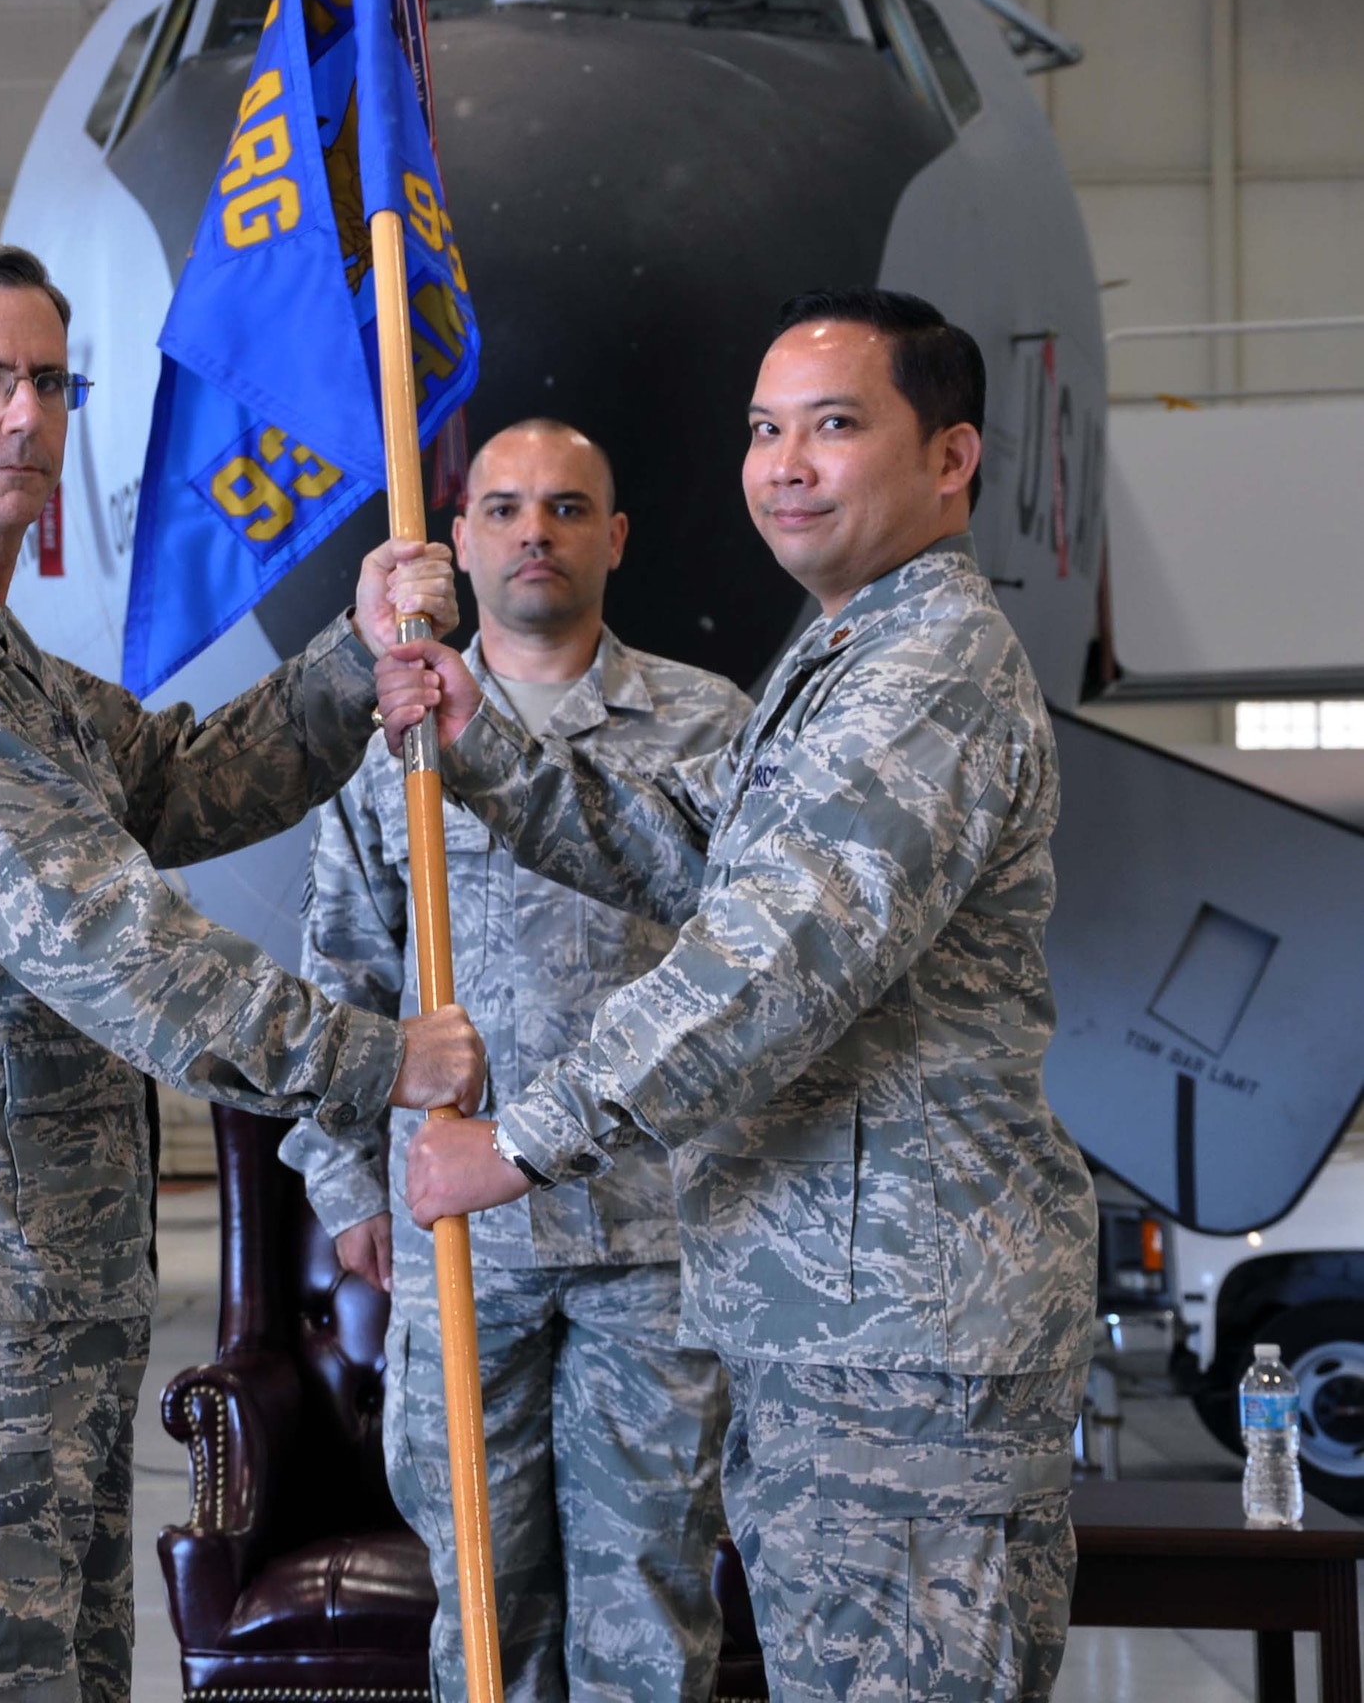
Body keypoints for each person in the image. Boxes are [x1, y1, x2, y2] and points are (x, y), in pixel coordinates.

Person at [0, 239, 485, 1703]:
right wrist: (373, 1059)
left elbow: (176, 777)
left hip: (31, 1287)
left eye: (49, 381)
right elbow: (95, 932)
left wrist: (353, 666)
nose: (25, 414)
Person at [376, 290, 1100, 1703]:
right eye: (766, 430)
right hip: (832, 1316)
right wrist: (485, 746)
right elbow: (690, 846)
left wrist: (519, 1141)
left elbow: (764, 965)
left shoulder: (924, 674)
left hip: (906, 1335)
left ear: (949, 457)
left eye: (833, 426)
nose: (785, 465)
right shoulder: (842, 659)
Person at [282, 421, 751, 1703]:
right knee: (486, 1605)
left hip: (653, 1240)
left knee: (647, 1598)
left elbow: (750, 974)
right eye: (500, 508)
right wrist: (346, 1185)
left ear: (616, 536)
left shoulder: (706, 723)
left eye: (564, 506)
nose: (532, 530)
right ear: (459, 540)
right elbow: (341, 977)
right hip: (459, 1242)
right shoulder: (395, 735)